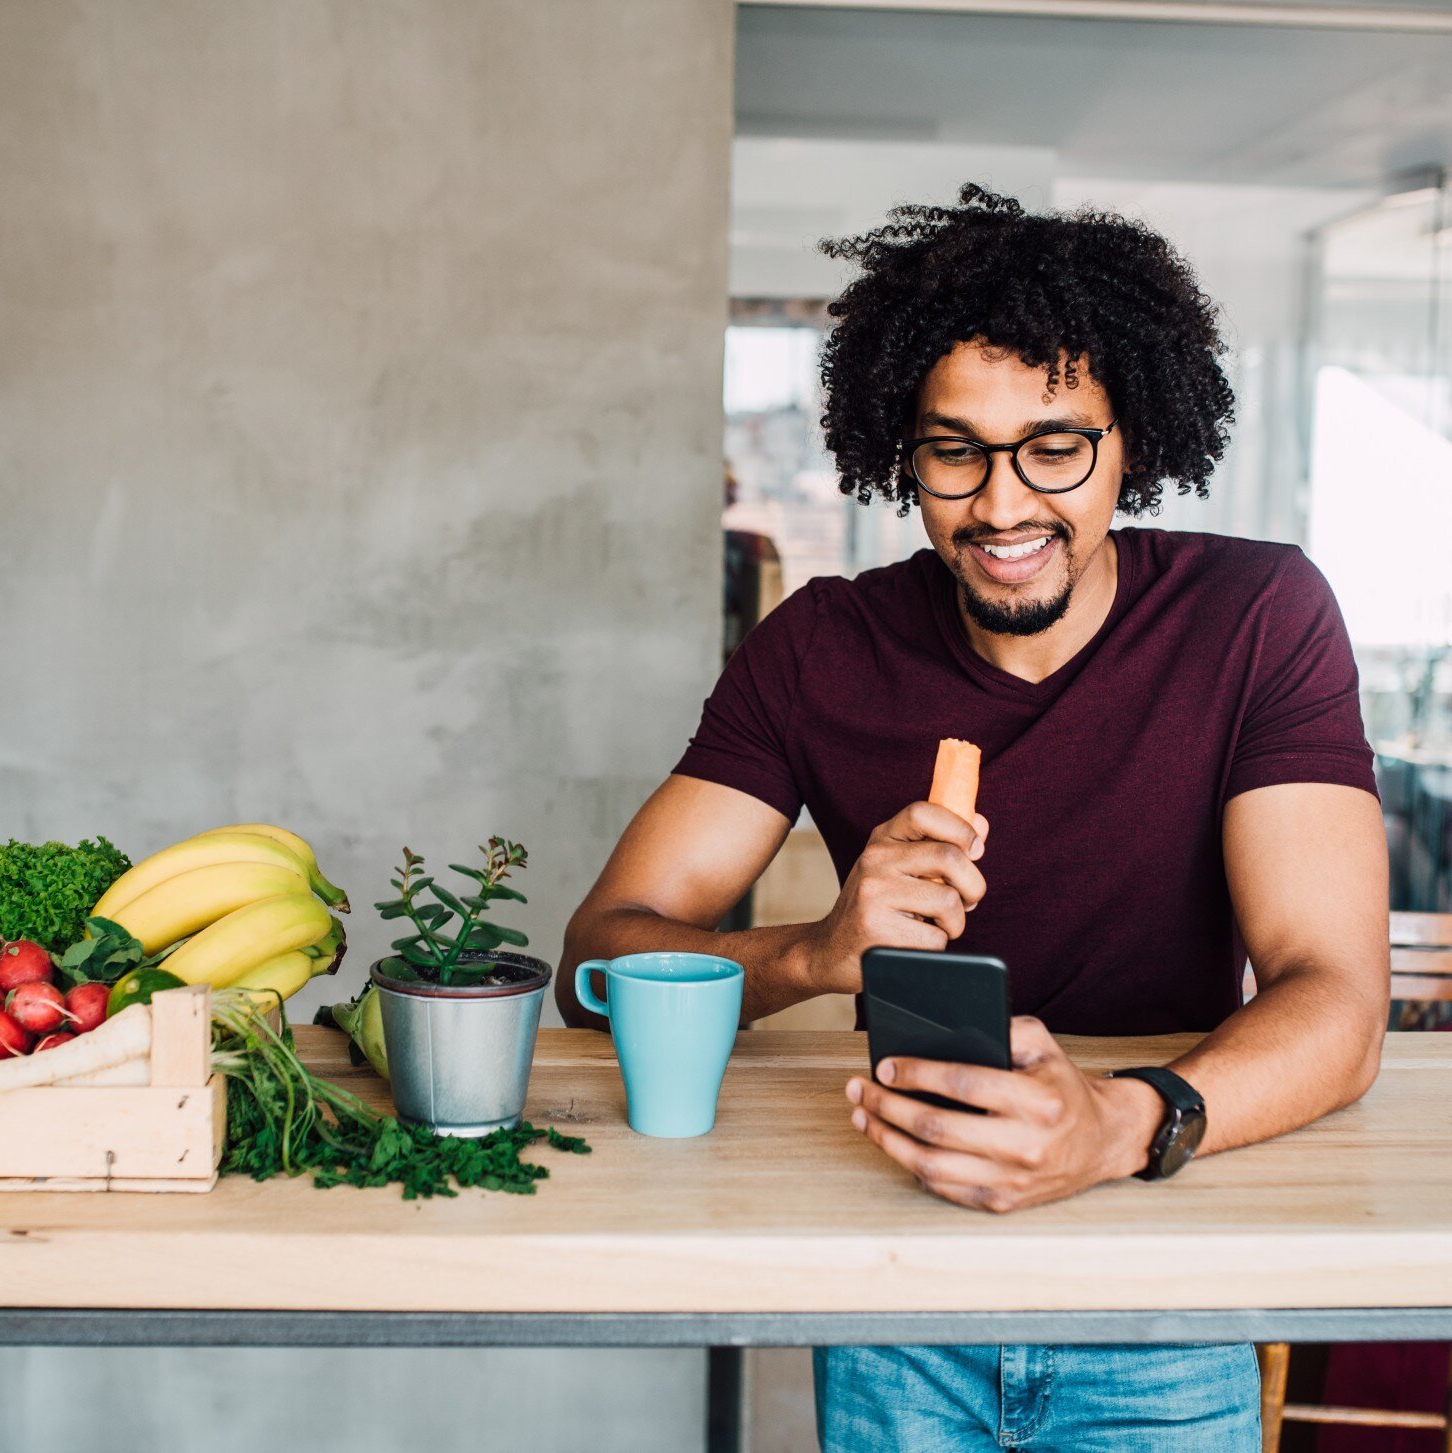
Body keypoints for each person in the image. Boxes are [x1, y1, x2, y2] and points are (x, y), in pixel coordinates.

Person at [557, 185, 1389, 1452]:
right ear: (905, 452)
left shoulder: (1254, 617)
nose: (1001, 505)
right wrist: (814, 951)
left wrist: (1115, 1122)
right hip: (894, 1271)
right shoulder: (820, 648)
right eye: (954, 450)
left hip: (1158, 1262)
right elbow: (592, 963)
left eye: (1054, 446)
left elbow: (1335, 998)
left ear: (1132, 444)